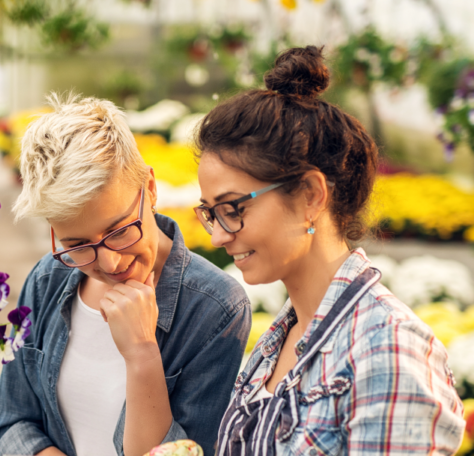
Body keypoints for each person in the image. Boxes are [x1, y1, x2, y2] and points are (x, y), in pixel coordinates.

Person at [194, 46, 465, 455]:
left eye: (232, 209)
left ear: (310, 195)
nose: (217, 236)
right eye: (210, 213)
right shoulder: (279, 338)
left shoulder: (387, 351)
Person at [0, 95, 252, 456]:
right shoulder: (48, 279)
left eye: (119, 230)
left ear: (150, 189)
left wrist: (142, 354)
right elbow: (8, 424)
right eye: (77, 244)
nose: (109, 263)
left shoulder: (214, 308)